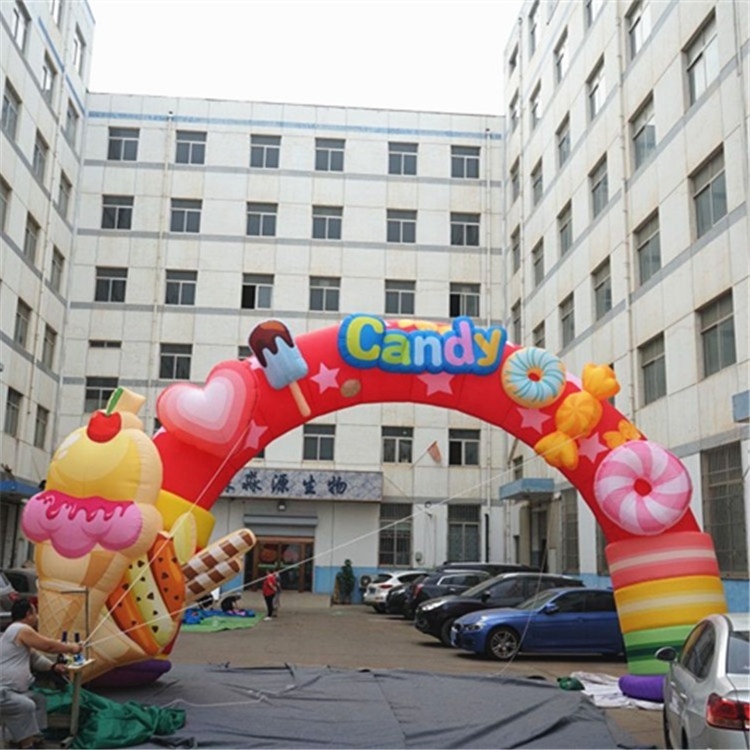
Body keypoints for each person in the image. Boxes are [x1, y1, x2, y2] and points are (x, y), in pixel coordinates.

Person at [0, 599, 83, 749]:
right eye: (35, 612)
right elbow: (48, 646)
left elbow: (34, 658)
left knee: (39, 700)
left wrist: (53, 667)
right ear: (28, 614)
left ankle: (32, 737)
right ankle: (27, 744)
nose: (37, 616)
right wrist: (71, 647)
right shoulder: (20, 629)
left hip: (14, 691)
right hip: (3, 692)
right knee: (26, 705)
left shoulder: (14, 633)